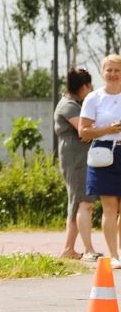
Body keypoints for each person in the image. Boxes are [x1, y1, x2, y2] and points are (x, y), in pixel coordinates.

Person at [55, 68, 102, 261]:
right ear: (83, 86)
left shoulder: (76, 104)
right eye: (89, 85)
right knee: (83, 202)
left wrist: (91, 131)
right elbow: (85, 131)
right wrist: (90, 131)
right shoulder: (69, 106)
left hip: (81, 159)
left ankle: (69, 249)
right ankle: (88, 249)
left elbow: (89, 130)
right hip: (75, 160)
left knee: (77, 203)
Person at [79, 54, 121, 269]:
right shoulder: (94, 98)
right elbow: (83, 132)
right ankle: (113, 254)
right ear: (103, 72)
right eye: (109, 70)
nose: (113, 74)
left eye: (117, 70)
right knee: (110, 206)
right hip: (104, 153)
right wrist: (108, 130)